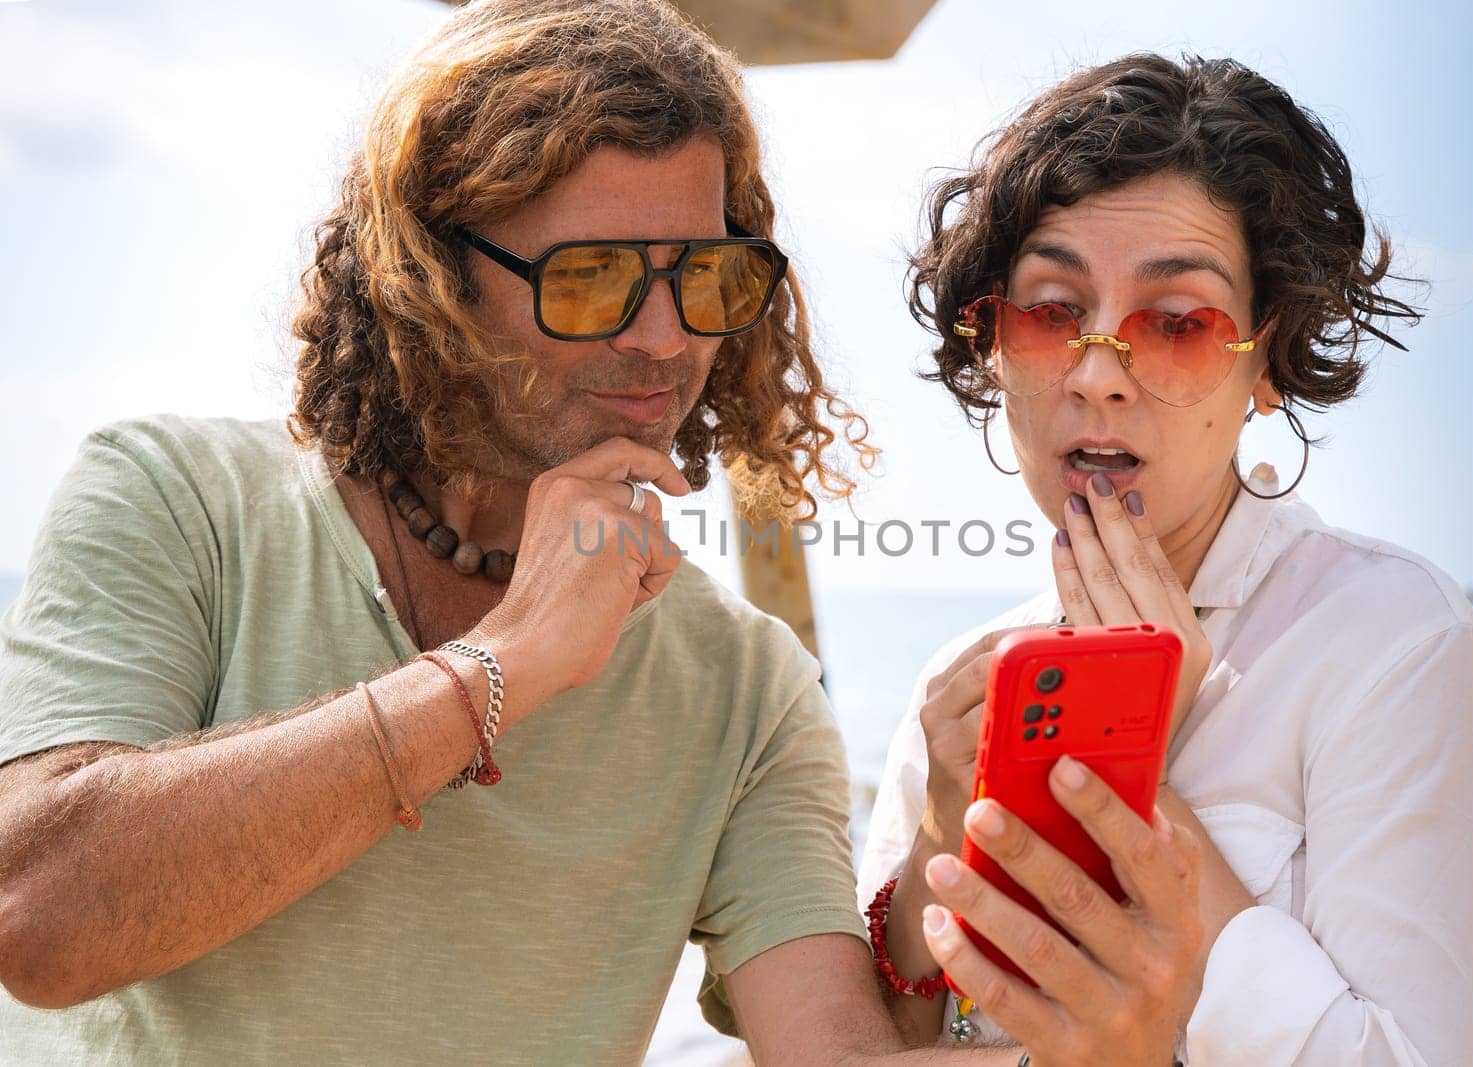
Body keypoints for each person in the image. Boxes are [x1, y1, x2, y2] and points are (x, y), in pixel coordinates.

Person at [0, 3, 1035, 1063]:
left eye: (702, 276)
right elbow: (38, 918)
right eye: (590, 277)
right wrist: (501, 666)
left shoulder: (746, 686)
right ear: (429, 282)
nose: (663, 338)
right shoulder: (178, 499)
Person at [860, 54, 1473, 1065]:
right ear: (994, 343)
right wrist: (940, 831)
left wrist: (1124, 777)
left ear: (1264, 360)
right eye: (1050, 311)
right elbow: (875, 1037)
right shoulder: (961, 680)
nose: (1097, 375)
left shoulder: (1395, 643)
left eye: (1175, 324)